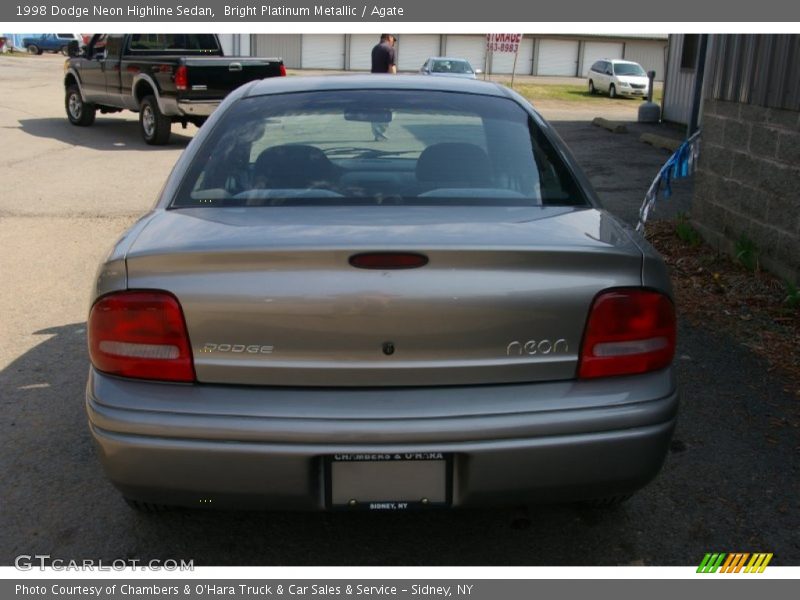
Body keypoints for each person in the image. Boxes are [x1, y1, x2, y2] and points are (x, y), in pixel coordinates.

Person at [370, 34, 396, 141]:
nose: (393, 42)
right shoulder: (390, 49)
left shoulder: (375, 48)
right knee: (390, 110)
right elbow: (391, 68)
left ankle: (377, 132)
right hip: (386, 84)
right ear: (389, 37)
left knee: (375, 109)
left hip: (374, 83)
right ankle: (381, 134)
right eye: (393, 40)